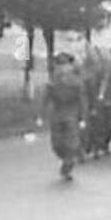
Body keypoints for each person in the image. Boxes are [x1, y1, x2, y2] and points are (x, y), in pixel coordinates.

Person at [40, 53, 87, 182]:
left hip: (71, 114)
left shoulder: (76, 82)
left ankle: (68, 166)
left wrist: (82, 118)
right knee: (57, 144)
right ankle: (65, 158)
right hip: (56, 114)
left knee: (72, 144)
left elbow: (82, 100)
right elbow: (45, 99)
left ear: (70, 67)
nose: (62, 69)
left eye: (65, 66)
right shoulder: (52, 82)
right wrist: (40, 115)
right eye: (59, 66)